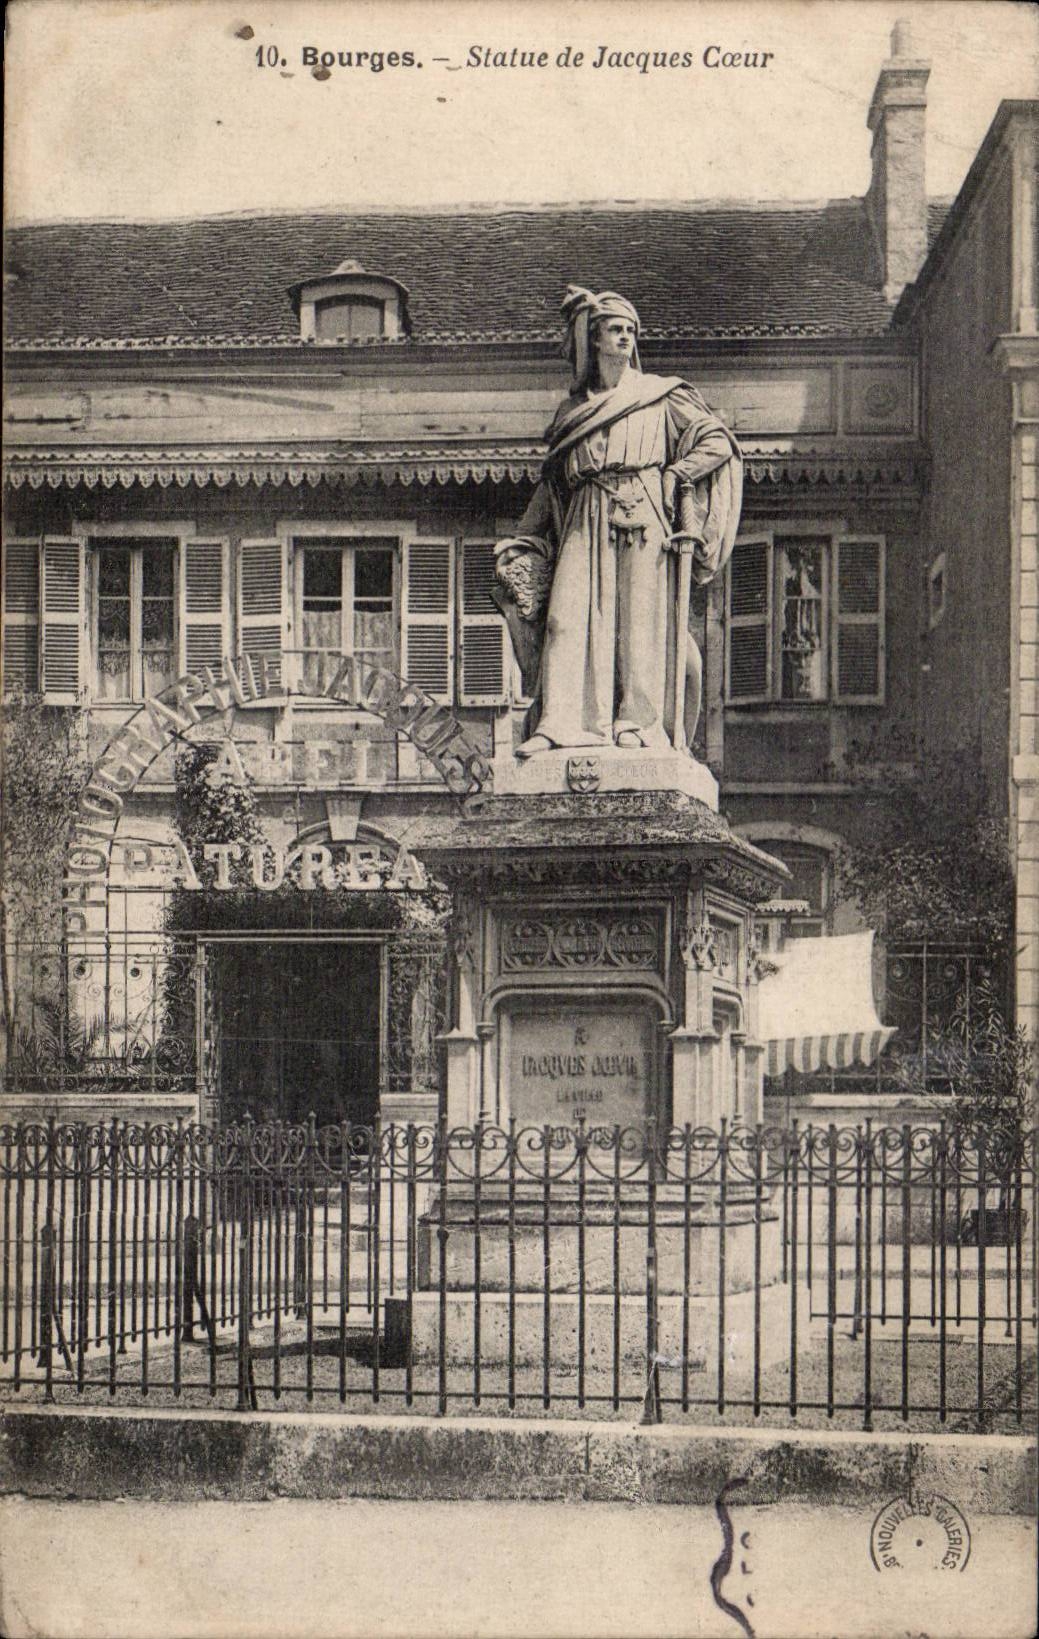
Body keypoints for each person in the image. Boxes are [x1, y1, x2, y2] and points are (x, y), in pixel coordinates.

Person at [493, 287, 742, 757]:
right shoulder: (571, 411)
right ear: (596, 339)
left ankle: (638, 724)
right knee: (565, 620)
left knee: (639, 624)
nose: (625, 338)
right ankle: (559, 723)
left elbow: (716, 441)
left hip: (643, 511)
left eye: (631, 330)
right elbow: (552, 486)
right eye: (615, 330)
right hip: (585, 517)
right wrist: (525, 538)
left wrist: (676, 473)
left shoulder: (659, 396)